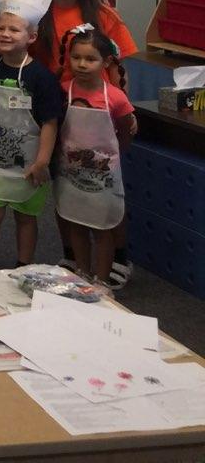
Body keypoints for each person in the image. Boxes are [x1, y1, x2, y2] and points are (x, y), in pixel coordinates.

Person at [34, 0, 139, 286]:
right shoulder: (38, 15)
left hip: (101, 112)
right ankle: (71, 253)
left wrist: (126, 110)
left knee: (106, 187)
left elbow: (123, 67)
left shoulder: (104, 16)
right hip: (59, 111)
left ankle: (118, 258)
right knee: (66, 185)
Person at [0, 0, 64, 271]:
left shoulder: (42, 78)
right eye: (1, 28)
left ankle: (24, 265)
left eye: (14, 29)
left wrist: (42, 161)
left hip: (29, 162)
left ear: (31, 36)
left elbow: (50, 122)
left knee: (26, 216)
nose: (5, 34)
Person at [55, 25, 136, 286]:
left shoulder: (115, 97)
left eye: (90, 59)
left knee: (102, 227)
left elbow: (125, 130)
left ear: (106, 61)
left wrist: (115, 155)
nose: (82, 64)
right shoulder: (63, 90)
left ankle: (101, 281)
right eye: (76, 57)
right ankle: (82, 272)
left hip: (103, 175)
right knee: (75, 222)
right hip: (71, 173)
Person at [34, 0, 139, 85]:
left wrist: (120, 103)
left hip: (98, 100)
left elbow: (117, 67)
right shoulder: (35, 14)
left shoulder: (105, 16)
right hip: (51, 96)